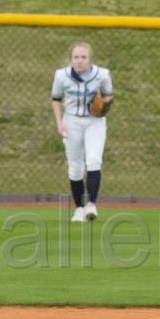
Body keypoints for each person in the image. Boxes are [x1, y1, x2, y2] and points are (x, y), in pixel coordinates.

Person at [51, 43, 113, 223]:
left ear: (89, 59)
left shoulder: (102, 75)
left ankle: (91, 204)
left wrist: (102, 105)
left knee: (94, 160)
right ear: (71, 59)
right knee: (75, 166)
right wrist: (59, 122)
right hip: (72, 121)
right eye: (76, 57)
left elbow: (108, 96)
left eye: (83, 57)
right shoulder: (61, 75)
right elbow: (56, 99)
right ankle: (79, 208)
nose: (80, 61)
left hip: (94, 122)